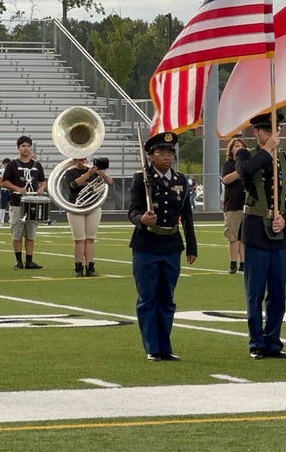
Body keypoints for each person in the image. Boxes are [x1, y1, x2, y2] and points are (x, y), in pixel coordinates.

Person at [237, 112, 286, 359]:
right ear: (256, 132)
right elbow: (245, 172)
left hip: (279, 233)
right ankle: (256, 342)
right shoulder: (247, 155)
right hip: (255, 231)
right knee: (255, 292)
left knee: (278, 292)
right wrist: (266, 150)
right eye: (266, 131)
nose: (272, 135)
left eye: (274, 130)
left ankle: (273, 340)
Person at [128, 131, 197, 361]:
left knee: (167, 298)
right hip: (147, 244)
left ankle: (165, 346)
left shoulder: (180, 180)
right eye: (161, 152)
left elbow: (186, 215)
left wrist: (192, 246)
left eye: (169, 152)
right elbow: (133, 211)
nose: (166, 157)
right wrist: (142, 220)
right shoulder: (142, 179)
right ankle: (152, 347)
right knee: (148, 298)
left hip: (170, 244)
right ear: (150, 156)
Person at [0, 135, 46, 270]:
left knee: (31, 234)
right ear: (18, 148)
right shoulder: (13, 164)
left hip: (33, 203)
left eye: (28, 146)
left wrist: (42, 188)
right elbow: (4, 182)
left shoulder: (37, 165)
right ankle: (18, 261)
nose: (26, 148)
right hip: (17, 203)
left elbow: (43, 180)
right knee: (17, 233)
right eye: (23, 146)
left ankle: (29, 261)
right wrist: (17, 188)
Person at [63, 157, 113, 277]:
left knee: (90, 239)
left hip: (93, 206)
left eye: (84, 159)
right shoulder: (70, 172)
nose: (83, 161)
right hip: (76, 206)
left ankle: (90, 267)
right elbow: (73, 185)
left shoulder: (94, 171)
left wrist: (102, 175)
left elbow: (110, 182)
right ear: (75, 161)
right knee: (79, 239)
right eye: (80, 160)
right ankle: (78, 267)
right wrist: (88, 174)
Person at [221, 137, 247, 274]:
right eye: (236, 146)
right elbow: (225, 180)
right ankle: (233, 263)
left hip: (247, 204)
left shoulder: (248, 164)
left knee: (244, 237)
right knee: (233, 236)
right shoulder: (229, 165)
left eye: (241, 145)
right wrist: (239, 172)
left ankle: (244, 263)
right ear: (231, 150)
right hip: (233, 204)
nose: (239, 147)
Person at [0, 157, 11, 224]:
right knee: (3, 206)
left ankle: (11, 220)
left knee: (12, 206)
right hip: (4, 190)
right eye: (5, 163)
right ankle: (1, 221)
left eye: (8, 163)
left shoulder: (13, 171)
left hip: (11, 190)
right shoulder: (1, 171)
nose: (7, 165)